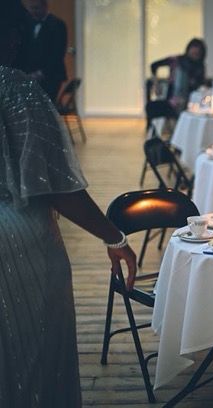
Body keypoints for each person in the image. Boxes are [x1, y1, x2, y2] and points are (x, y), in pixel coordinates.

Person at [0, 2, 137, 406]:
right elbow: (56, 185)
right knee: (36, 358)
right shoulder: (18, 89)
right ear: (14, 38)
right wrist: (114, 237)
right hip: (20, 239)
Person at [19, 0, 67, 101]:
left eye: (36, 8)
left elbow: (58, 53)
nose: (34, 11)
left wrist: (41, 73)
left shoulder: (58, 24)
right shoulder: (27, 24)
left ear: (45, 7)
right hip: (29, 74)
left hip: (51, 76)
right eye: (31, 8)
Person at [150, 38, 209, 115]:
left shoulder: (200, 67)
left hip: (190, 100)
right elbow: (154, 65)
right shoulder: (177, 60)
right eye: (193, 52)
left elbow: (201, 85)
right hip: (172, 98)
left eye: (197, 54)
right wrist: (156, 84)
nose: (194, 56)